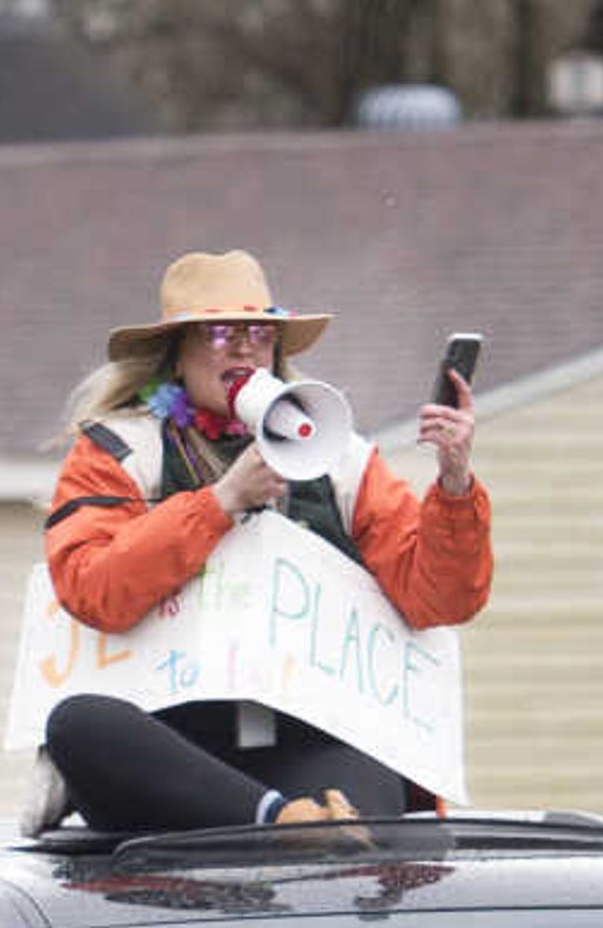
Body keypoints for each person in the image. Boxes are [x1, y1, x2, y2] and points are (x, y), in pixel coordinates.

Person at [40, 249, 492, 832]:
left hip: (307, 738)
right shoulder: (120, 451)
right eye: (220, 332)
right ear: (177, 354)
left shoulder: (339, 457)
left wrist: (454, 483)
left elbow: (441, 600)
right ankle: (284, 826)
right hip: (177, 748)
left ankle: (299, 827)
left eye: (261, 332)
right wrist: (221, 503)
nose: (245, 347)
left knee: (366, 794)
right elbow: (92, 588)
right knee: (80, 726)